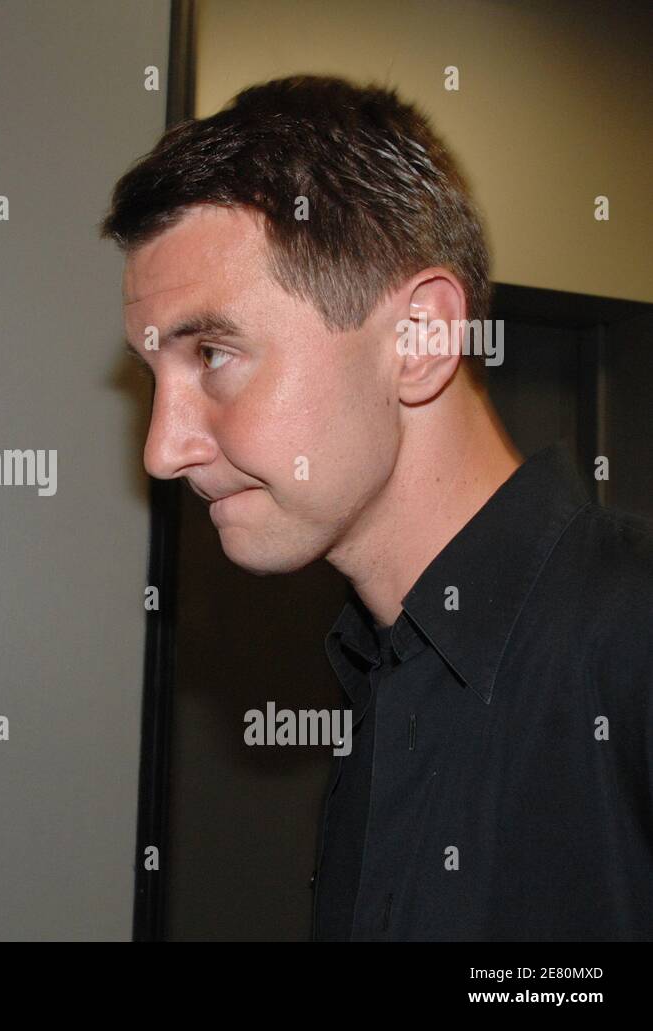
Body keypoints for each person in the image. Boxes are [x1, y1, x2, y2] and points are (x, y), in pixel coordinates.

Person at [101, 74, 653, 940]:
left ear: (422, 339)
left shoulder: (632, 634)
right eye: (153, 379)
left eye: (212, 351)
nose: (162, 449)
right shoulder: (379, 672)